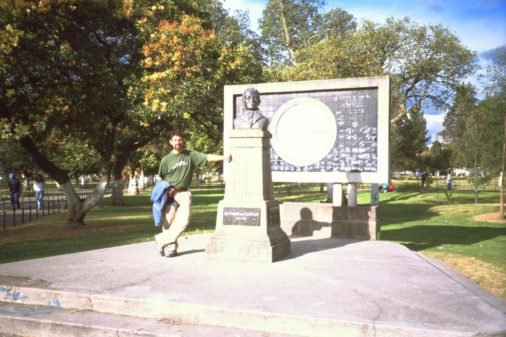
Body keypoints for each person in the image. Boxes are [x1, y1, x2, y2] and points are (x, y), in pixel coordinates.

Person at [154, 129, 232, 257]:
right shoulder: (166, 160)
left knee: (184, 220)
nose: (177, 142)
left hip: (184, 193)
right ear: (170, 142)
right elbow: (159, 177)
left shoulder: (190, 155)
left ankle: (162, 239)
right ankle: (171, 247)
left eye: (179, 139)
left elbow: (207, 157)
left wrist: (224, 157)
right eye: (174, 140)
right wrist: (166, 189)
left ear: (183, 140)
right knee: (168, 221)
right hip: (169, 195)